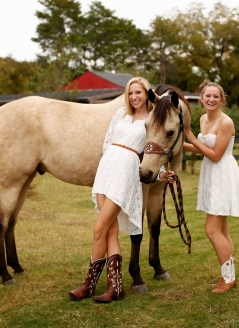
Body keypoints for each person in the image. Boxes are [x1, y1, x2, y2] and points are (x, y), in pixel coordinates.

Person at [68, 77, 174, 303]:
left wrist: (162, 173)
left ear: (147, 93)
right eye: (131, 93)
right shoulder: (121, 115)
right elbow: (107, 143)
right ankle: (115, 288)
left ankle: (89, 285)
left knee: (98, 229)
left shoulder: (153, 119)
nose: (134, 97)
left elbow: (155, 149)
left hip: (126, 171)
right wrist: (108, 163)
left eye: (139, 92)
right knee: (109, 231)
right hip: (107, 167)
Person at [183, 80, 239, 293]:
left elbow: (216, 155)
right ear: (201, 99)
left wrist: (191, 136)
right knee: (222, 229)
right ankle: (228, 276)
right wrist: (178, 144)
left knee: (211, 230)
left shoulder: (225, 122)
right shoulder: (202, 118)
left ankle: (228, 279)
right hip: (210, 173)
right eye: (207, 96)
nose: (211, 100)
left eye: (215, 97)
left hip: (222, 173)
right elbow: (203, 149)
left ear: (222, 100)